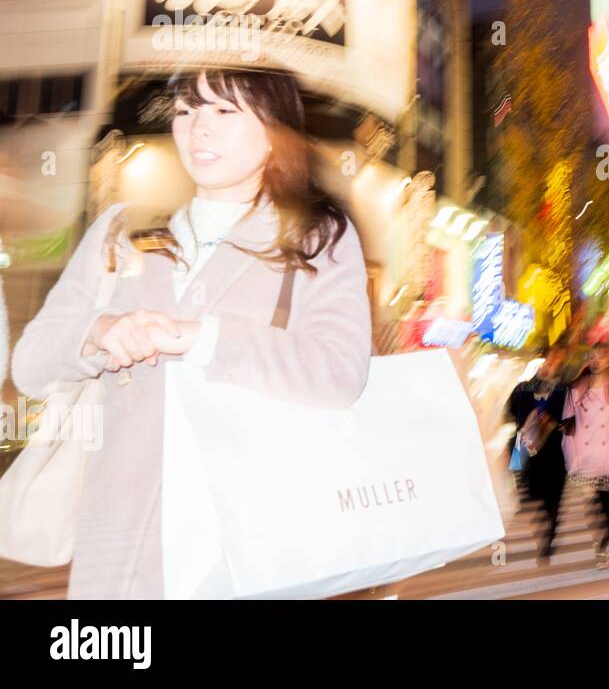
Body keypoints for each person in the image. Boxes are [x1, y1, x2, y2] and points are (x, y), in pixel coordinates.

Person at [11, 68, 372, 599]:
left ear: (274, 129)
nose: (198, 128)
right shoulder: (121, 228)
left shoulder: (317, 235)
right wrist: (98, 332)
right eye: (187, 110)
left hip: (245, 542)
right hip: (116, 546)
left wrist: (201, 338)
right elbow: (30, 364)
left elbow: (339, 372)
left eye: (225, 111)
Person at [561, 341, 609, 569]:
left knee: (607, 503)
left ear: (608, 360)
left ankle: (604, 542)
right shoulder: (576, 389)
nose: (595, 361)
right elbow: (568, 426)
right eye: (591, 356)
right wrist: (571, 457)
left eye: (600, 357)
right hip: (585, 456)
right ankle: (600, 539)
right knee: (592, 503)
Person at [505, 338, 572, 562]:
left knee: (553, 499)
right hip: (530, 453)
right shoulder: (525, 388)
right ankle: (544, 522)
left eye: (556, 361)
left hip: (554, 453)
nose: (551, 363)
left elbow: (571, 420)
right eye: (550, 358)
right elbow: (511, 410)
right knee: (535, 497)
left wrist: (552, 422)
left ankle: (549, 534)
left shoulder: (564, 391)